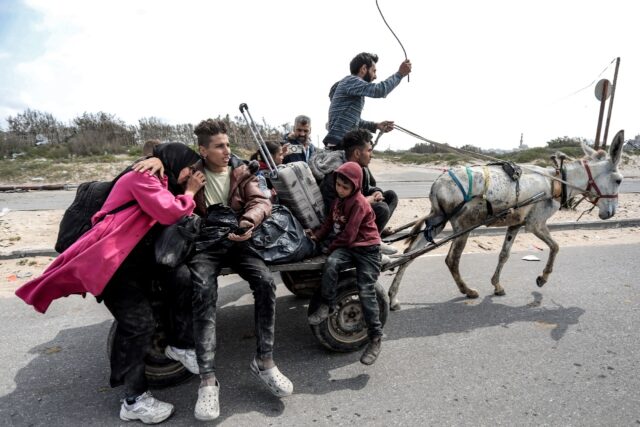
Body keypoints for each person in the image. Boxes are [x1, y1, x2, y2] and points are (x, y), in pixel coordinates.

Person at [15, 143, 206, 424]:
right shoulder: (143, 176)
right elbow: (169, 213)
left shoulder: (161, 177)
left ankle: (180, 344)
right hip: (112, 262)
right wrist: (190, 192)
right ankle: (134, 401)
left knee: (181, 278)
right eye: (191, 168)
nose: (193, 175)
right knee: (137, 326)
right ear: (176, 161)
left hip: (131, 260)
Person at [163, 119, 293, 421]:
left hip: (238, 238)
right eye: (219, 146)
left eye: (228, 144)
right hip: (205, 244)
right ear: (203, 149)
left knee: (264, 282)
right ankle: (207, 380)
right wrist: (161, 163)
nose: (226, 150)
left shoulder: (240, 169)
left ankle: (265, 361)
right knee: (204, 292)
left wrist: (248, 223)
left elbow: (260, 201)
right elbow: (167, 190)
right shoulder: (189, 174)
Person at [307, 161, 383, 365]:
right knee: (331, 264)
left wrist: (328, 247)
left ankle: (375, 337)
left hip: (367, 249)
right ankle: (328, 305)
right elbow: (329, 223)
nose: (340, 190)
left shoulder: (359, 203)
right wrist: (317, 236)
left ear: (356, 186)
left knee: (366, 290)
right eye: (338, 185)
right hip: (349, 247)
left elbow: (349, 235)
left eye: (345, 187)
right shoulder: (337, 202)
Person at [320, 129, 399, 254]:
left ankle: (374, 235)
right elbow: (335, 208)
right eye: (369, 151)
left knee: (390, 195)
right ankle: (371, 245)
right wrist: (366, 201)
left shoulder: (362, 168)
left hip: (358, 210)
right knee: (382, 209)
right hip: (343, 220)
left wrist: (376, 192)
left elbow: (368, 187)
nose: (371, 155)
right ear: (357, 153)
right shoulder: (337, 173)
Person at [323, 52, 412, 150]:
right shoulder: (351, 81)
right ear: (364, 69)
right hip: (340, 143)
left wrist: (376, 125)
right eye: (374, 71)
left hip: (340, 142)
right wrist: (400, 74)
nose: (375, 76)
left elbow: (355, 121)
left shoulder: (352, 87)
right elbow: (380, 90)